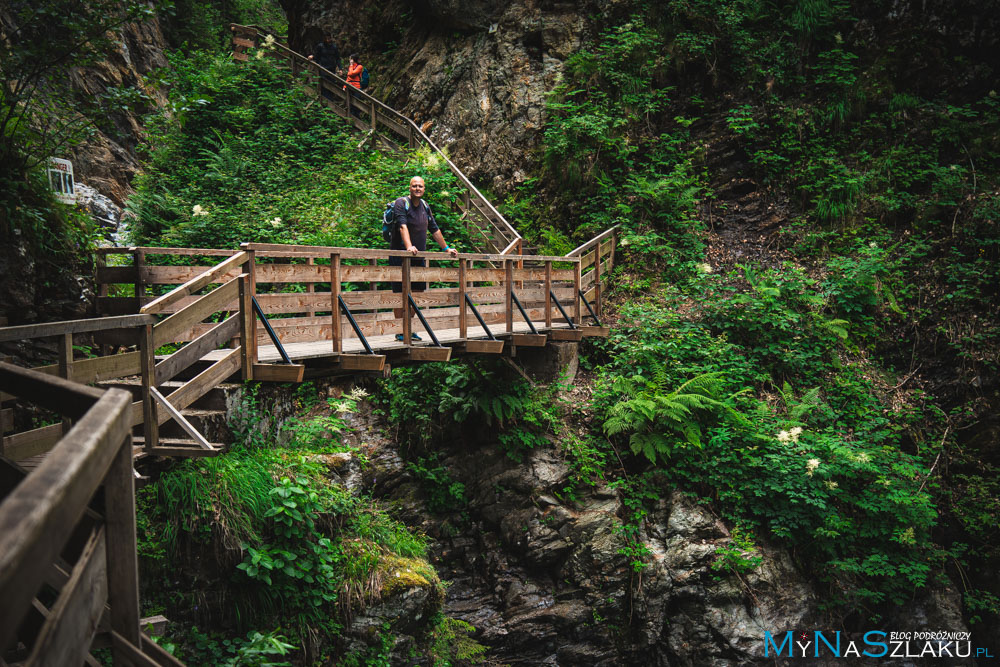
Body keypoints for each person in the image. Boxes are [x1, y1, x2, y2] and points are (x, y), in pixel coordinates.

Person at [389, 176, 459, 342]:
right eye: (414, 186)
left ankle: (409, 328)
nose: (417, 188)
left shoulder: (425, 206)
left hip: (417, 258)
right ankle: (400, 330)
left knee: (417, 294)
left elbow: (434, 229)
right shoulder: (401, 203)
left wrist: (446, 248)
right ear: (410, 188)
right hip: (400, 257)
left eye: (420, 186)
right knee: (400, 294)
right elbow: (402, 226)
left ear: (424, 189)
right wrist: (408, 246)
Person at [307, 33, 340, 101]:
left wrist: (340, 68)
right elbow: (317, 55)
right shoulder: (320, 46)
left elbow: (337, 58)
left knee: (331, 84)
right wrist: (312, 57)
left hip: (331, 68)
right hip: (323, 68)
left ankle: (330, 100)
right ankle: (325, 99)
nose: (328, 40)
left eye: (329, 38)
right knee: (324, 83)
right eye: (327, 38)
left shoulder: (334, 47)